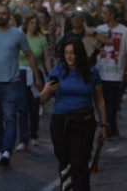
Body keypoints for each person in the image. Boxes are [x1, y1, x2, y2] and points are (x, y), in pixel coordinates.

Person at [0, 3, 44, 166]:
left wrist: (37, 77)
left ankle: (7, 150)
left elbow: (29, 54)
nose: (1, 16)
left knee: (9, 117)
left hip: (12, 82)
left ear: (9, 15)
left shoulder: (18, 34)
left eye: (4, 13)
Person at [39, 37, 107, 191]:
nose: (69, 56)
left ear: (80, 54)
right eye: (66, 53)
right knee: (65, 162)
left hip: (84, 121)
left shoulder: (91, 72)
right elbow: (43, 98)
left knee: (79, 162)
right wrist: (47, 90)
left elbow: (100, 100)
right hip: (61, 122)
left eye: (73, 53)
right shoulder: (58, 71)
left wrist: (104, 124)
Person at [92, 4, 127, 139]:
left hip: (116, 74)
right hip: (100, 72)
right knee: (100, 103)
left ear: (112, 15)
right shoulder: (99, 30)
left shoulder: (125, 31)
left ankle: (108, 128)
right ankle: (110, 128)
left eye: (104, 13)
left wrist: (126, 73)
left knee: (112, 104)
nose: (101, 15)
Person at [17, 15, 52, 149]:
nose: (33, 25)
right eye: (31, 23)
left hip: (37, 73)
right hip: (21, 73)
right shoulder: (20, 37)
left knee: (34, 106)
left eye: (35, 23)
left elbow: (46, 58)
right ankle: (23, 139)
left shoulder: (42, 39)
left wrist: (51, 75)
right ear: (26, 24)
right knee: (22, 107)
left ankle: (33, 134)